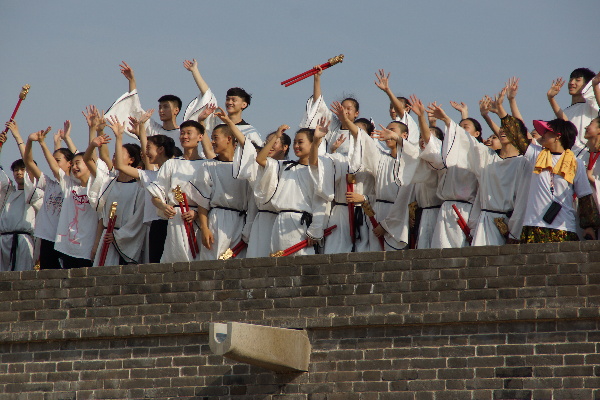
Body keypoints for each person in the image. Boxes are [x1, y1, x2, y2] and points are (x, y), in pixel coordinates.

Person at [432, 90, 530, 246]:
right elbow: (469, 142)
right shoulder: (488, 157)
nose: (502, 130)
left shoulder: (523, 163)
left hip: (506, 224)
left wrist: (514, 232)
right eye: (502, 127)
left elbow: (522, 202)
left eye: (508, 128)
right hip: (483, 223)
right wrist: (447, 120)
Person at [512, 119, 600, 243]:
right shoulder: (536, 154)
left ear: (558, 136)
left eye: (547, 132)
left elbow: (585, 196)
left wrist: (588, 226)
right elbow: (516, 135)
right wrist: (501, 113)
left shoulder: (576, 162)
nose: (542, 135)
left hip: (564, 227)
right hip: (534, 225)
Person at [348, 116, 420, 251]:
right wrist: (346, 121)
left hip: (399, 218)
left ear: (404, 135)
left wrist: (386, 226)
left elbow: (403, 200)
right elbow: (364, 139)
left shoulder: (410, 162)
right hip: (378, 212)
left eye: (392, 130)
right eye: (386, 130)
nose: (387, 133)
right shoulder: (381, 158)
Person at [309, 103, 373, 253]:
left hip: (366, 213)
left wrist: (364, 198)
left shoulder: (375, 159)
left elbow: (384, 191)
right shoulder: (340, 159)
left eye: (359, 133)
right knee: (334, 252)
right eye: (353, 132)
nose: (356, 136)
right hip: (340, 214)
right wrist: (316, 142)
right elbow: (315, 164)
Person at [254, 126, 327, 256]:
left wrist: (315, 230)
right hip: (280, 221)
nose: (296, 146)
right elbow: (260, 159)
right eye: (295, 142)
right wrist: (276, 136)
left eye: (300, 142)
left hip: (300, 223)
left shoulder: (317, 171)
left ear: (312, 144)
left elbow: (320, 201)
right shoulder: (284, 166)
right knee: (278, 261)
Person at [85, 117, 146, 266]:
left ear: (131, 160)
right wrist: (93, 144)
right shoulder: (108, 182)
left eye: (119, 154)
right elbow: (88, 160)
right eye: (114, 154)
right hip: (106, 239)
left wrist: (119, 235)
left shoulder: (140, 187)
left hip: (126, 241)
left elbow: (138, 220)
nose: (114, 157)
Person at [193, 111, 250, 260]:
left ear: (229, 139)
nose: (212, 142)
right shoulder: (208, 166)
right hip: (217, 220)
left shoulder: (245, 167)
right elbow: (202, 202)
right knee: (213, 261)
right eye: (211, 138)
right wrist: (205, 228)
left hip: (241, 221)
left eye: (215, 138)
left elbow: (249, 148)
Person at [147, 120, 205, 263]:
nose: (184, 136)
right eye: (182, 133)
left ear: (200, 137)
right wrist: (163, 206)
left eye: (189, 133)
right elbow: (155, 195)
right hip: (176, 220)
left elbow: (211, 198)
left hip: (198, 220)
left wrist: (197, 213)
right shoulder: (171, 164)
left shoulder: (207, 164)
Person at [423, 101, 480, 248]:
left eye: (465, 127)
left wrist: (448, 118)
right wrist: (422, 119)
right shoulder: (447, 157)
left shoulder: (480, 154)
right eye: (459, 127)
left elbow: (465, 140)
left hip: (466, 210)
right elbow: (434, 146)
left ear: (477, 134)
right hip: (446, 208)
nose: (460, 130)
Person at [20, 122, 74, 269]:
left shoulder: (70, 184)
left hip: (64, 238)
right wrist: (30, 142)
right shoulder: (49, 183)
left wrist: (43, 143)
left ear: (70, 163)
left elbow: (54, 168)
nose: (54, 163)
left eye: (58, 160)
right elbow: (28, 162)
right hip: (46, 237)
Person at [233, 127, 291, 258]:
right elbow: (248, 146)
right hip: (262, 220)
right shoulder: (262, 166)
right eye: (267, 142)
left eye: (274, 142)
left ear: (285, 147)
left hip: (281, 220)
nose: (269, 145)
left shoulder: (291, 167)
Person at [182, 59, 263, 148]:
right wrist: (195, 71)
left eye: (234, 100)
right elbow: (207, 95)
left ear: (244, 104)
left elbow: (260, 152)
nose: (229, 102)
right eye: (227, 99)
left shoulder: (249, 131)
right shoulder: (218, 122)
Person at [0, 124, 43, 272]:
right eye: (16, 170)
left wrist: (17, 136)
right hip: (4, 241)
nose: (19, 172)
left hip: (24, 241)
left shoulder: (35, 193)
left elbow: (30, 165)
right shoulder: (8, 192)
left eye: (22, 169)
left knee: (22, 276)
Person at [300, 65, 360, 156]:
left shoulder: (360, 131)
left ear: (356, 113)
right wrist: (317, 78)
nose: (344, 111)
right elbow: (319, 104)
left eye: (348, 109)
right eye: (343, 108)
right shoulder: (334, 126)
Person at [547, 68, 600, 155]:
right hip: (570, 157)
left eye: (577, 80)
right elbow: (567, 125)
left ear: (588, 85)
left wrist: (595, 85)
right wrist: (551, 98)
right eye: (571, 79)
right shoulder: (565, 111)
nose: (572, 83)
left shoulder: (592, 105)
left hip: (588, 155)